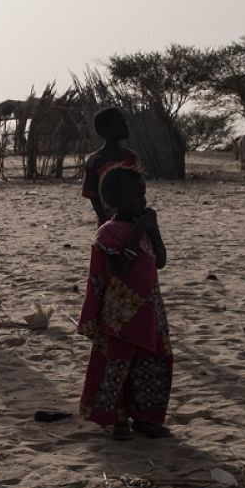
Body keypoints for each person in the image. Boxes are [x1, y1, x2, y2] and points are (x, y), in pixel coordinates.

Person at [77, 168, 173, 440]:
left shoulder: (144, 227)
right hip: (120, 314)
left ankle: (146, 419)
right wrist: (136, 234)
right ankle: (118, 420)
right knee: (116, 366)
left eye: (143, 195)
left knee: (152, 363)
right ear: (116, 201)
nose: (143, 201)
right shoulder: (109, 233)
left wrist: (153, 229)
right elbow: (119, 269)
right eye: (136, 196)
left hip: (149, 309)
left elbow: (161, 260)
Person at [81, 107, 145, 224]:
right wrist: (104, 219)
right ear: (106, 130)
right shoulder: (95, 161)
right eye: (121, 123)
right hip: (107, 220)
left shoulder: (131, 157)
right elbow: (92, 194)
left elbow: (139, 188)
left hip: (133, 219)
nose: (126, 126)